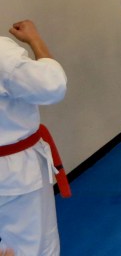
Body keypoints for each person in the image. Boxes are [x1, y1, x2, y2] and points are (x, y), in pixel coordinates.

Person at [0, 20, 69, 256]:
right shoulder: (3, 54)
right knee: (35, 244)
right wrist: (34, 40)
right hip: (14, 172)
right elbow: (52, 86)